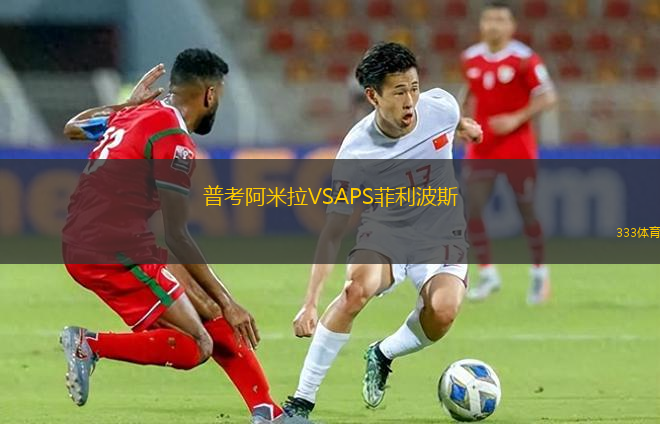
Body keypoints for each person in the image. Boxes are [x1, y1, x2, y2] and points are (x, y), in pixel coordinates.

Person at [60, 49, 312, 424]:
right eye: (219, 96)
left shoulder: (137, 113)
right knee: (197, 345)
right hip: (111, 248)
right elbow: (177, 235)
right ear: (209, 94)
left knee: (206, 304)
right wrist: (231, 301)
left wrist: (125, 105)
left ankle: (267, 412)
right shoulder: (174, 139)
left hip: (103, 238)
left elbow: (72, 127)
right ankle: (89, 344)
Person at [281, 42, 483, 419]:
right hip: (386, 233)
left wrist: (464, 126)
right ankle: (301, 401)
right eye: (399, 92)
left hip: (443, 234)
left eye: (414, 88)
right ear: (373, 96)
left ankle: (383, 353)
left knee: (442, 313)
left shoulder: (441, 107)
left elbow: (450, 119)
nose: (410, 101)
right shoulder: (357, 151)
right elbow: (332, 232)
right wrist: (310, 302)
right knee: (355, 290)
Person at [460, 0, 558, 304]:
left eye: (501, 20)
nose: (494, 25)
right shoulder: (470, 58)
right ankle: (488, 274)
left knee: (526, 209)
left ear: (512, 26)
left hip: (517, 146)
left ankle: (539, 274)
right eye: (489, 19)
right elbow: (469, 90)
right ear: (481, 24)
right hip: (482, 145)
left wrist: (516, 118)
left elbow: (548, 97)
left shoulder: (525, 59)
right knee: (470, 209)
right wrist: (461, 121)